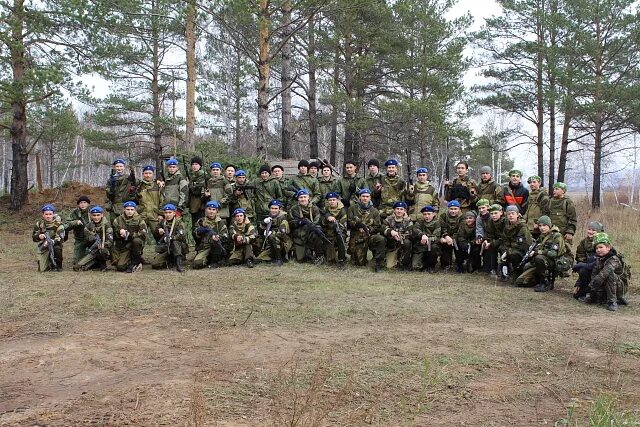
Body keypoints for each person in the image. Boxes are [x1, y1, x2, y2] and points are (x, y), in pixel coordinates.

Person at [514, 215, 566, 292]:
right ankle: (538, 279)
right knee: (520, 281)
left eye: (544, 225)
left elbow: (553, 254)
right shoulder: (542, 236)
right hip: (541, 262)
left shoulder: (556, 236)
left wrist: (537, 252)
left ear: (549, 225)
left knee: (539, 258)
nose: (542, 228)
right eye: (540, 226)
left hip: (554, 262)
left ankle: (545, 282)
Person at [581, 232, 629, 311]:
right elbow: (594, 274)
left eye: (601, 247)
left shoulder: (614, 259)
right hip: (606, 285)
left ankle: (612, 302)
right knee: (596, 277)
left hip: (619, 286)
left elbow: (604, 274)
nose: (598, 250)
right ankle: (596, 298)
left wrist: (590, 287)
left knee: (609, 275)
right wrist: (591, 292)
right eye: (596, 248)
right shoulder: (599, 259)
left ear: (608, 247)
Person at [347, 188, 386, 272]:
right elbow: (349, 222)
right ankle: (356, 256)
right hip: (358, 237)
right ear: (359, 197)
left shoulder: (374, 211)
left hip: (370, 235)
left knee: (380, 239)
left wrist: (368, 229)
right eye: (363, 196)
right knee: (359, 263)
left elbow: (377, 226)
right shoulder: (352, 208)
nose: (365, 198)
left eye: (367, 196)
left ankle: (379, 262)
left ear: (370, 198)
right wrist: (357, 225)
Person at [288, 189, 325, 263]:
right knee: (300, 259)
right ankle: (307, 254)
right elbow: (290, 222)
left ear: (309, 198)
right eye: (301, 197)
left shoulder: (314, 208)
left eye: (305, 197)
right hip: (299, 233)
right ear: (298, 199)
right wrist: (300, 222)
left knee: (318, 232)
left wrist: (311, 226)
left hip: (311, 232)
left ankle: (319, 255)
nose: (303, 199)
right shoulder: (294, 209)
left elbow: (317, 221)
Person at [111, 201, 148, 273]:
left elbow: (143, 233)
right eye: (128, 209)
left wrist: (129, 234)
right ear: (124, 210)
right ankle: (129, 259)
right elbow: (113, 233)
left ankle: (136, 262)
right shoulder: (118, 220)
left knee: (136, 241)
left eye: (132, 209)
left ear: (135, 210)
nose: (130, 211)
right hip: (124, 245)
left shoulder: (140, 220)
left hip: (136, 243)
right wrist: (119, 232)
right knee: (120, 267)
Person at [192, 201, 230, 269]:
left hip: (217, 247)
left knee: (215, 242)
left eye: (213, 209)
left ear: (216, 211)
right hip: (205, 247)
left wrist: (219, 237)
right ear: (206, 210)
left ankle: (215, 261)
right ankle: (208, 259)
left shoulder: (221, 222)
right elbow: (195, 233)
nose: (211, 211)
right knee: (197, 264)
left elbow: (225, 235)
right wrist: (200, 231)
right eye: (209, 209)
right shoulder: (201, 221)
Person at [75, 206, 113, 271]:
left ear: (102, 215)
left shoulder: (107, 225)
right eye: (94, 215)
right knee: (77, 267)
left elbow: (110, 241)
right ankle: (95, 263)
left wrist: (102, 244)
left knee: (102, 251)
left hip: (105, 249)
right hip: (93, 249)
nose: (96, 217)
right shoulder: (88, 226)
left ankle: (103, 264)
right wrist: (93, 238)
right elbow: (87, 239)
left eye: (98, 215)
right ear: (91, 216)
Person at [500, 205, 533, 281]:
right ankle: (505, 272)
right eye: (508, 214)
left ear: (518, 215)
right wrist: (506, 250)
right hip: (512, 248)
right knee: (501, 249)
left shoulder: (522, 227)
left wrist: (508, 251)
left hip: (522, 250)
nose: (511, 215)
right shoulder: (506, 227)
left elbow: (523, 244)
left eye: (513, 213)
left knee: (514, 254)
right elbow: (505, 241)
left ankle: (517, 272)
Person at [152, 203, 188, 272]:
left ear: (174, 213)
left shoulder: (179, 222)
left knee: (175, 242)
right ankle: (169, 260)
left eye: (170, 212)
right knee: (155, 264)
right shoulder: (162, 222)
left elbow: (182, 236)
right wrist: (158, 231)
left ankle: (179, 263)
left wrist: (172, 238)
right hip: (167, 247)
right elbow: (155, 235)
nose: (168, 215)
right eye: (166, 213)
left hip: (179, 247)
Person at [572, 221, 604, 299]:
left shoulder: (603, 242)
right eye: (589, 229)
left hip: (601, 268)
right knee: (582, 270)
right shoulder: (583, 242)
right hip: (588, 267)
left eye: (593, 230)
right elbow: (580, 258)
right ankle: (584, 290)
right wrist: (578, 284)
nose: (590, 232)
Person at [256, 200, 291, 266]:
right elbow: (260, 231)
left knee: (272, 237)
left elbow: (282, 233)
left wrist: (272, 232)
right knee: (258, 259)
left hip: (283, 243)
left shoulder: (283, 218)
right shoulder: (269, 217)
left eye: (276, 208)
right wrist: (264, 223)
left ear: (279, 209)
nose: (274, 210)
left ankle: (279, 259)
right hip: (270, 244)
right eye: (272, 208)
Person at [33, 204, 65, 272]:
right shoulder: (39, 224)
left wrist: (51, 242)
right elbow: (34, 237)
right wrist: (39, 236)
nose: (48, 216)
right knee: (42, 270)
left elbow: (60, 239)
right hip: (44, 246)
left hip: (55, 245)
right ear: (43, 215)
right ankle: (48, 263)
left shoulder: (59, 224)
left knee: (57, 248)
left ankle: (58, 266)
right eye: (46, 214)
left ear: (53, 214)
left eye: (50, 214)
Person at [320, 192, 348, 268]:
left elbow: (344, 223)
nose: (332, 202)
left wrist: (336, 223)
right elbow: (321, 222)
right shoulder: (325, 209)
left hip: (340, 231)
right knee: (330, 260)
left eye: (333, 200)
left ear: (337, 200)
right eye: (330, 200)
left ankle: (341, 259)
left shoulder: (342, 210)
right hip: (328, 233)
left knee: (341, 238)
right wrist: (327, 218)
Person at [382, 201, 413, 270]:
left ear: (405, 211)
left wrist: (400, 236)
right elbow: (382, 228)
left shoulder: (408, 220)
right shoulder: (389, 219)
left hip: (403, 244)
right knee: (389, 266)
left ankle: (405, 263)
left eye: (401, 209)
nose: (399, 211)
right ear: (394, 210)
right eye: (397, 209)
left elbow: (410, 232)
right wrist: (391, 232)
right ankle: (391, 259)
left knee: (407, 242)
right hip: (392, 245)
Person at [251, 164, 283, 229]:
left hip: (271, 210)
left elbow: (279, 196)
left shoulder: (274, 182)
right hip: (259, 209)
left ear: (269, 173)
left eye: (266, 173)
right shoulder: (256, 182)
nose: (264, 175)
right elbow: (251, 192)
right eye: (262, 173)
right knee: (260, 226)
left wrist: (278, 208)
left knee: (271, 227)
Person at [410, 205, 441, 272]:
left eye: (429, 214)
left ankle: (431, 266)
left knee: (434, 247)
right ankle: (423, 263)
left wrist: (427, 239)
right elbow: (415, 230)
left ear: (433, 214)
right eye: (425, 214)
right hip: (420, 246)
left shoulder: (437, 223)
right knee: (415, 267)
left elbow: (437, 237)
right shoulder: (419, 222)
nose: (427, 216)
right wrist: (422, 235)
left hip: (430, 246)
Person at [136, 165, 163, 239]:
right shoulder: (139, 186)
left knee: (159, 236)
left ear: (153, 174)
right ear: (143, 174)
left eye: (150, 173)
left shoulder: (158, 186)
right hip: (142, 215)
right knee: (139, 238)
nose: (148, 175)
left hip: (155, 216)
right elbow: (135, 200)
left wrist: (161, 214)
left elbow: (162, 201)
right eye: (146, 173)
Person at [548, 182, 577, 249]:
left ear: (563, 191)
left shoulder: (567, 202)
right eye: (554, 189)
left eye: (557, 189)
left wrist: (570, 232)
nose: (554, 190)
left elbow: (573, 219)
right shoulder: (550, 201)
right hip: (551, 233)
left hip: (563, 234)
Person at [65, 195, 91, 264]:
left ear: (88, 204)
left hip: (91, 239)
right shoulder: (74, 213)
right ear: (78, 204)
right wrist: (75, 222)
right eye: (81, 203)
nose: (83, 204)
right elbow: (66, 224)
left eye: (85, 202)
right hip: (80, 240)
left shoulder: (92, 212)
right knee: (77, 262)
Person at [438, 200, 463, 270]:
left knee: (458, 244)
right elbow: (442, 228)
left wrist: (453, 238)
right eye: (451, 209)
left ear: (459, 209)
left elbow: (460, 230)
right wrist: (446, 236)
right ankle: (445, 263)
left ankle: (459, 263)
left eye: (455, 209)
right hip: (446, 237)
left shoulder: (462, 217)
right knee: (445, 244)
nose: (453, 211)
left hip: (457, 237)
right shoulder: (443, 216)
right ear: (448, 209)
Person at [474, 199, 493, 274]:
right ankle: (476, 267)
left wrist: (487, 240)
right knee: (476, 248)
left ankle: (489, 268)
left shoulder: (492, 216)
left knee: (488, 248)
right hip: (484, 237)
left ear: (488, 207)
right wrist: (479, 237)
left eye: (483, 208)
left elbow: (493, 231)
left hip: (492, 237)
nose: (481, 210)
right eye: (479, 208)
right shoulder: (479, 217)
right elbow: (479, 229)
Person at [187, 156, 207, 224]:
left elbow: (196, 191)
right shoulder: (192, 175)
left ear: (200, 165)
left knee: (199, 225)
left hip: (200, 205)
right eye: (193, 164)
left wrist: (189, 185)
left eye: (196, 164)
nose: (194, 166)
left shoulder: (202, 175)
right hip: (194, 205)